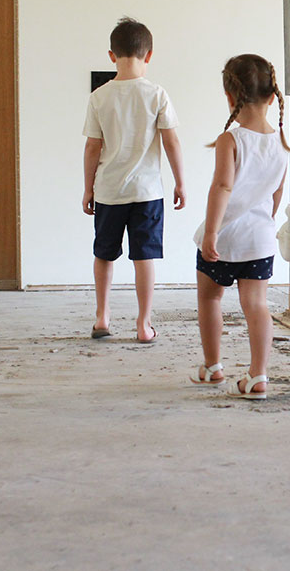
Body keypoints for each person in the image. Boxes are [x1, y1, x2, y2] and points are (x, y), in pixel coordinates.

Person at [190, 54, 289, 399]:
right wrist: (266, 224)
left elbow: (222, 188)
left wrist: (211, 233)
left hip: (225, 237)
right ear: (271, 96)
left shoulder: (230, 140)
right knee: (256, 305)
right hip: (259, 241)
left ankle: (213, 366)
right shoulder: (281, 143)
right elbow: (276, 195)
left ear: (230, 96)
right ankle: (258, 375)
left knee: (209, 297)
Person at [82, 17, 186, 342]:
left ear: (111, 55)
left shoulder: (99, 96)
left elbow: (92, 147)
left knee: (104, 254)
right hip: (147, 192)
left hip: (109, 191)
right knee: (145, 257)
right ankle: (143, 324)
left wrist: (88, 188)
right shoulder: (157, 94)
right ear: (149, 55)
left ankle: (102, 316)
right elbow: (172, 141)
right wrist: (180, 182)